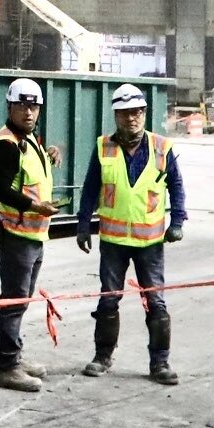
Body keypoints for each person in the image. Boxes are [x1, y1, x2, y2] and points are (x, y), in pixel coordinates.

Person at [76, 83, 185, 385]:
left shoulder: (162, 148)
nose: (131, 119)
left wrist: (178, 221)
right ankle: (102, 356)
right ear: (116, 116)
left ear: (144, 114)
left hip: (150, 243)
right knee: (108, 301)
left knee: (156, 303)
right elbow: (90, 188)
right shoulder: (103, 147)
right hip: (113, 242)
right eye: (124, 114)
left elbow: (176, 186)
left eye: (136, 112)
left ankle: (160, 363)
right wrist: (83, 223)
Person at [0, 77, 59, 391]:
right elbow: (0, 189)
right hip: (17, 233)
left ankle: (14, 353)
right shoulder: (7, 144)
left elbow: (30, 172)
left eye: (34, 106)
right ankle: (7, 366)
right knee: (14, 300)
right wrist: (35, 206)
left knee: (22, 298)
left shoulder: (30, 140)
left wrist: (49, 153)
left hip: (32, 234)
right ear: (10, 107)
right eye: (22, 106)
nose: (29, 112)